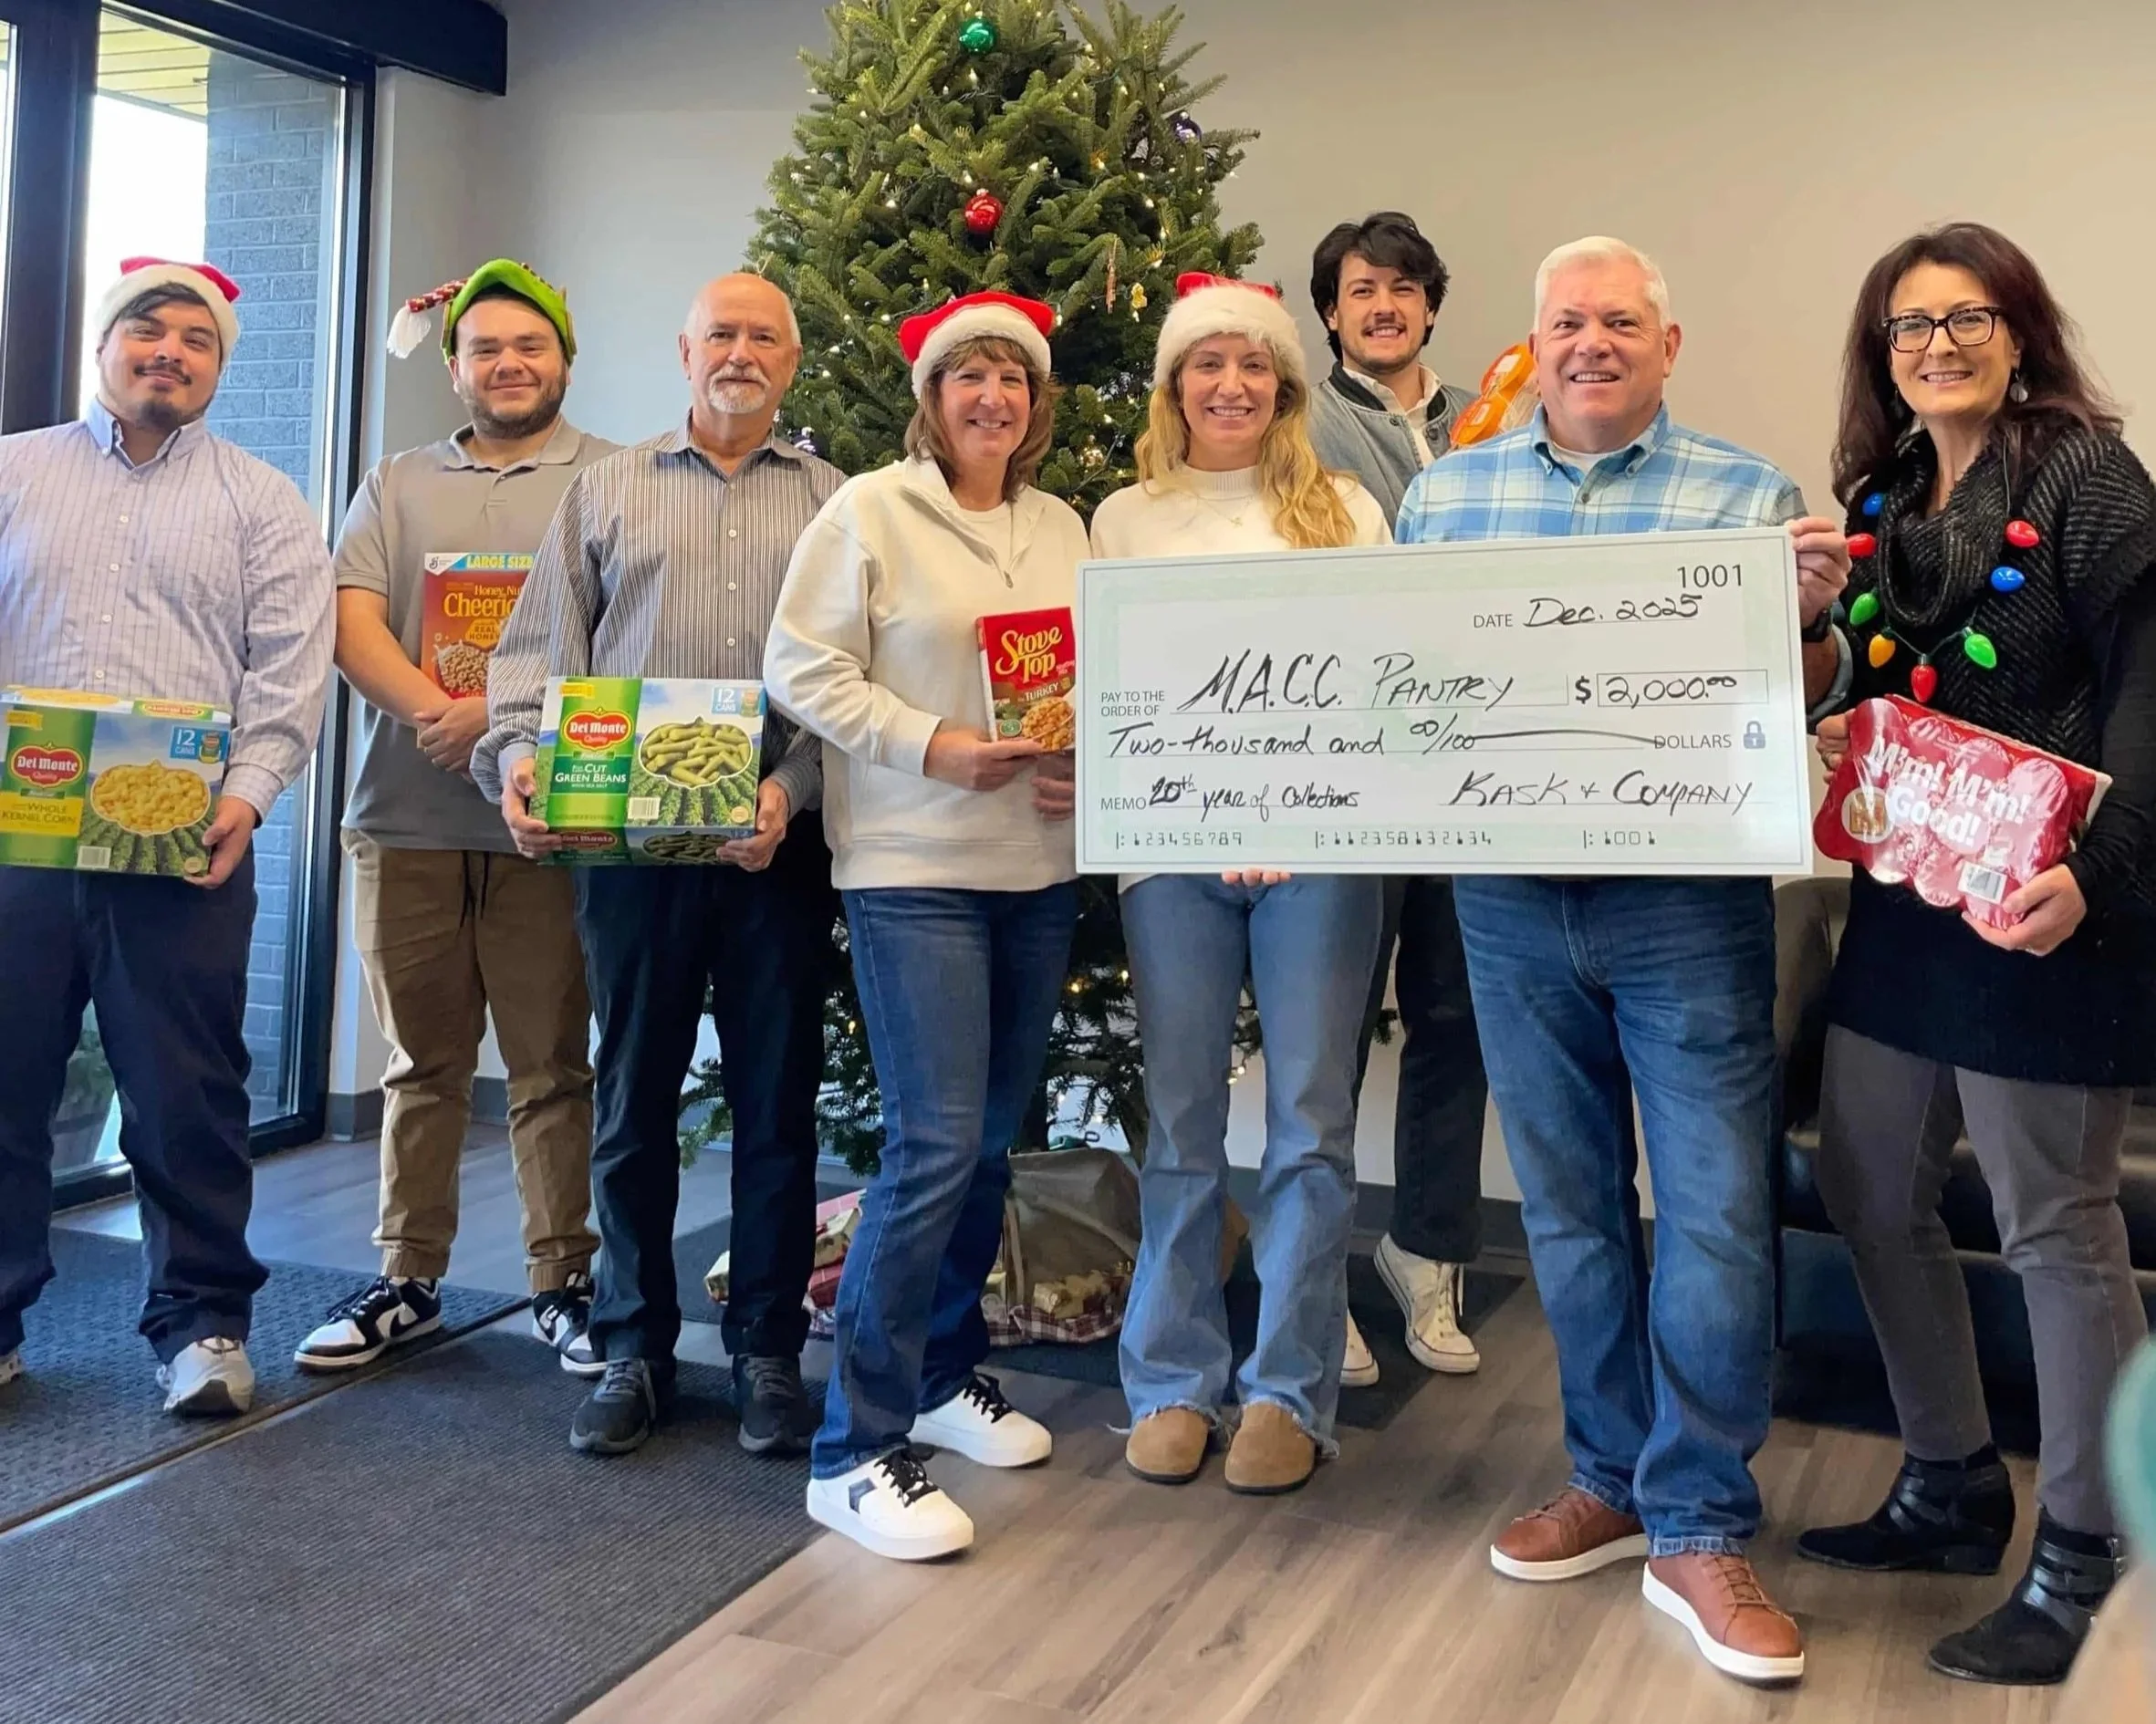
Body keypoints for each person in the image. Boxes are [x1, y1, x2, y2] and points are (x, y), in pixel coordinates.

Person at [1396, 236, 1850, 1685]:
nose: (1587, 342)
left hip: (1683, 904)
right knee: (1570, 1208)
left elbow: (1811, 688)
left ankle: (1698, 1518)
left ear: (1667, 344)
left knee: (1711, 1209)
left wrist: (1805, 626)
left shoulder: (1745, 498)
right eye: (1564, 322)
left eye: (1616, 321)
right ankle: (1605, 1477)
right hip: (1505, 897)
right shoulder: (1442, 497)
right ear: (1530, 343)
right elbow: (1396, 691)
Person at [1797, 223, 2151, 1688]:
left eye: (1965, 318)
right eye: (1907, 325)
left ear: (2018, 333)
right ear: (1878, 353)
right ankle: (1946, 1479)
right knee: (1866, 1180)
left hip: (2045, 905)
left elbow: (2146, 695)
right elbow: (1874, 682)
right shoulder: (1878, 497)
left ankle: (2090, 1547)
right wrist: (1826, 685)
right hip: (1904, 903)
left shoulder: (2087, 480)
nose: (1934, 345)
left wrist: (2095, 872)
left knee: (2052, 1223)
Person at [473, 274, 842, 1459]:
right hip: (629, 854)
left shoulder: (835, 503)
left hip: (777, 844)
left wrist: (792, 790)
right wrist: (519, 760)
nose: (740, 352)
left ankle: (767, 1350)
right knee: (631, 1097)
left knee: (777, 1102)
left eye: (763, 336)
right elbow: (536, 655)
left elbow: (851, 685)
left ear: (791, 361)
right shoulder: (605, 490)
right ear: (685, 352)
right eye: (719, 333)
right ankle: (632, 1345)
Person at [766, 291, 1085, 1563]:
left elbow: (1098, 676)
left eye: (1011, 378)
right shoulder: (868, 511)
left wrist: (1088, 762)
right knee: (934, 1145)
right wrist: (930, 744)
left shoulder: (1063, 525)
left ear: (1035, 402)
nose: (990, 397)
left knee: (990, 1143)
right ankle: (852, 1449)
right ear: (931, 397)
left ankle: (946, 1375)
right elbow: (801, 666)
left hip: (1037, 865)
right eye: (967, 376)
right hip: (912, 866)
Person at [0, 257, 335, 1415]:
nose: (170, 352)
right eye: (148, 328)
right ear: (105, 345)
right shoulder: (13, 471)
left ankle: (203, 1326)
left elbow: (289, 666)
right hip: (18, 843)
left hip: (184, 846)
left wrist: (249, 794)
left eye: (198, 340)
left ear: (218, 367)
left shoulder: (261, 500)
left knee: (185, 1094)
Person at [1093, 274, 1390, 1499]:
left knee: (1311, 1122)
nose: (1229, 384)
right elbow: (1114, 687)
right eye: (1204, 364)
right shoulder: (1122, 518)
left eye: (1252, 363)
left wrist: (1288, 806)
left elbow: (1378, 676)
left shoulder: (1346, 510)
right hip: (1170, 852)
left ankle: (1286, 1391)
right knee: (1179, 1122)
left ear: (1283, 386)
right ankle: (1170, 1380)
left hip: (1317, 848)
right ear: (1174, 387)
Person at [297, 262, 616, 1379]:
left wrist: (496, 715)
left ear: (564, 359)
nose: (508, 364)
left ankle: (562, 1283)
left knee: (550, 1067)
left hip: (550, 826)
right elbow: (349, 621)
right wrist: (441, 713)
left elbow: (626, 633)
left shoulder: (613, 478)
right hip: (407, 816)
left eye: (530, 345)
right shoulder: (395, 482)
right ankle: (408, 1280)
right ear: (455, 368)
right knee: (420, 1063)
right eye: (485, 349)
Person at [1307, 211, 1487, 1387]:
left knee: (1456, 1018)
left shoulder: (1496, 418)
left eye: (1402, 288)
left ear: (1428, 303)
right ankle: (1312, 1280)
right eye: (1361, 290)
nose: (1383, 306)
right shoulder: (1296, 422)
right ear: (1330, 311)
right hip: (1350, 766)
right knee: (1324, 1029)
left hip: (1471, 768)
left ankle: (1426, 1252)